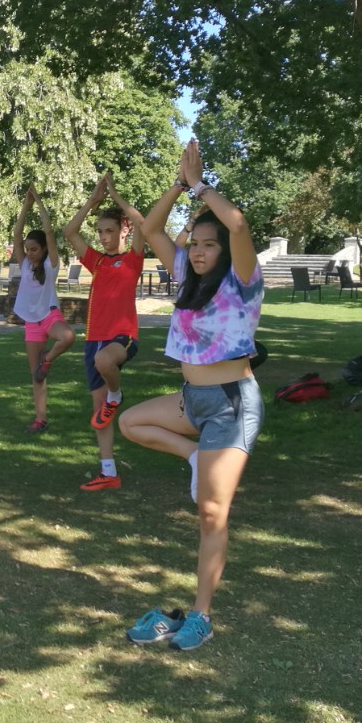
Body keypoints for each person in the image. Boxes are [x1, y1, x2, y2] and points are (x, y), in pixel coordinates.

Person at [117, 140, 264, 651]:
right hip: (192, 399)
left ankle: (201, 615)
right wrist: (178, 186)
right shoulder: (185, 275)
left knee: (211, 514)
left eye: (208, 245)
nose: (198, 252)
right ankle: (196, 456)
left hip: (231, 403)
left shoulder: (243, 281)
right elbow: (152, 229)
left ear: (224, 250)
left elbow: (238, 225)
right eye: (195, 243)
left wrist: (201, 186)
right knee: (130, 422)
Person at [62, 172, 146, 491]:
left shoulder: (133, 259)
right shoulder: (96, 262)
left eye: (109, 230)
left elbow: (141, 222)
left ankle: (116, 394)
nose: (103, 237)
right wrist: (93, 201)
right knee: (100, 413)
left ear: (123, 230)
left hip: (123, 336)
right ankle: (108, 471)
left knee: (104, 362)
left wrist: (116, 195)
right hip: (93, 339)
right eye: (99, 231)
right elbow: (70, 231)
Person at [10, 186, 76, 432]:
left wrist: (38, 202)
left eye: (34, 249)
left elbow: (49, 232)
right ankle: (40, 419)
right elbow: (17, 234)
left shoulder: (51, 264)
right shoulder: (25, 264)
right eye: (27, 249)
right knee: (36, 375)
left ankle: (47, 359)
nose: (29, 253)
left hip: (50, 316)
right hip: (32, 324)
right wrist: (25, 207)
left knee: (67, 337)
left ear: (45, 249)